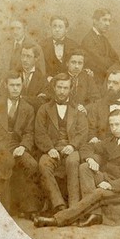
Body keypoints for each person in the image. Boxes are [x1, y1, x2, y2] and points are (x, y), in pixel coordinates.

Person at [34, 110, 120, 227]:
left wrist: (111, 185)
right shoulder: (110, 141)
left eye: (117, 124)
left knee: (98, 193)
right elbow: (86, 146)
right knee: (84, 167)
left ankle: (58, 220)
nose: (114, 128)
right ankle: (94, 213)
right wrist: (90, 159)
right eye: (111, 125)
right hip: (108, 179)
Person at [0, 71, 40, 217]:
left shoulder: (27, 108)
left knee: (31, 164)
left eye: (18, 85)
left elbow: (29, 133)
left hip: (16, 146)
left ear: (22, 86)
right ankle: (4, 209)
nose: (15, 88)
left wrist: (23, 146)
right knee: (5, 162)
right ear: (6, 85)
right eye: (12, 85)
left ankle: (29, 208)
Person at [35, 73, 88, 216]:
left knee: (72, 161)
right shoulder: (44, 109)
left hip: (71, 147)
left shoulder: (78, 109)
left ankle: (74, 207)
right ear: (54, 87)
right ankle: (59, 205)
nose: (62, 91)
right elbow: (39, 133)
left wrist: (72, 146)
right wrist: (49, 148)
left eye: (65, 88)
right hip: (52, 148)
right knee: (43, 164)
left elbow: (83, 132)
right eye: (59, 87)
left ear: (70, 89)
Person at [0, 19, 45, 90]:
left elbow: (41, 73)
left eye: (18, 28)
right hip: (4, 85)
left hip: (23, 88)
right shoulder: (5, 46)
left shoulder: (35, 47)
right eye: (12, 28)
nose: (15, 32)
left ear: (24, 29)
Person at [81, 8, 118, 87]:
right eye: (104, 20)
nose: (108, 24)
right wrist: (109, 61)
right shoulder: (88, 40)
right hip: (94, 83)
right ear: (95, 21)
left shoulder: (104, 39)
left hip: (104, 81)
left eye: (109, 20)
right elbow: (101, 62)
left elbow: (116, 58)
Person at [40, 16, 78, 81]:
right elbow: (39, 68)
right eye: (54, 26)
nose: (57, 30)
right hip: (48, 81)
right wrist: (47, 78)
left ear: (66, 29)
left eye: (60, 27)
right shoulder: (42, 45)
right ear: (50, 28)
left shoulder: (74, 45)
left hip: (68, 82)